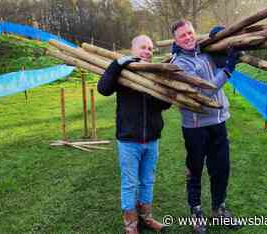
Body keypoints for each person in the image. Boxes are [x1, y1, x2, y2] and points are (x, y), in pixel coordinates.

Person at [170, 20, 241, 234]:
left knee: (221, 168)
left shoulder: (207, 51)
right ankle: (196, 212)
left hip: (219, 121)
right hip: (195, 126)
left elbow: (220, 58)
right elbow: (203, 94)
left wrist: (221, 36)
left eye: (190, 32)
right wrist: (228, 69)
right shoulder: (179, 63)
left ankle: (218, 208)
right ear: (175, 40)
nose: (188, 37)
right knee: (195, 170)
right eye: (182, 35)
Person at [97, 35, 171, 234]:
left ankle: (146, 217)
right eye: (143, 47)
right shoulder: (123, 73)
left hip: (152, 139)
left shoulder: (154, 73)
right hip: (129, 140)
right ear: (133, 49)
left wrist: (164, 84)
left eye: (150, 48)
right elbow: (103, 89)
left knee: (147, 180)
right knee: (130, 183)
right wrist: (118, 64)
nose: (148, 51)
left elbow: (165, 105)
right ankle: (131, 225)